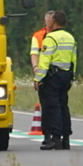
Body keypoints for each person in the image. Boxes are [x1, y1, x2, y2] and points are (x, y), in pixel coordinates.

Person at [34, 10, 77, 150]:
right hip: (66, 76)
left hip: (52, 76)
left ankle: (55, 138)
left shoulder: (50, 39)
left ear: (53, 22)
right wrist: (72, 76)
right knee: (63, 105)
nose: (47, 22)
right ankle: (66, 138)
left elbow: (44, 61)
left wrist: (38, 79)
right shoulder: (70, 37)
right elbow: (74, 59)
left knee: (52, 107)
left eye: (49, 20)